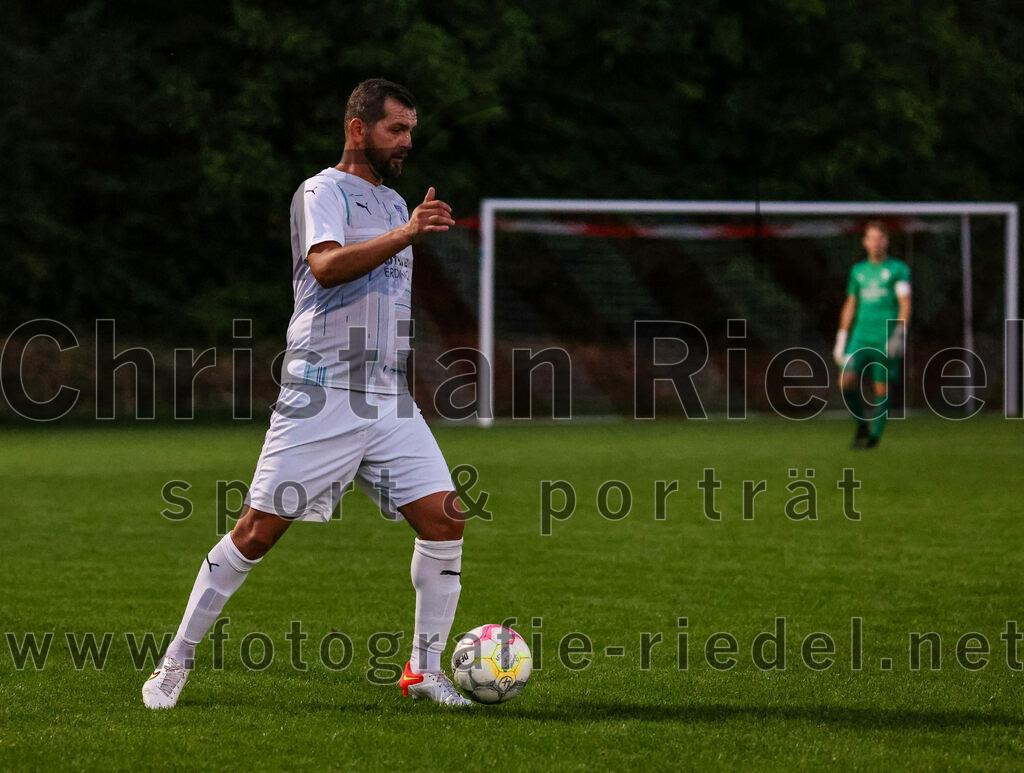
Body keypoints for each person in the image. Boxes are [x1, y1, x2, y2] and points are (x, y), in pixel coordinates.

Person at [143, 78, 472, 708]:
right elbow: (325, 266)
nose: (406, 141)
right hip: (322, 393)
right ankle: (173, 664)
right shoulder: (323, 191)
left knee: (444, 518)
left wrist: (405, 231)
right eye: (394, 129)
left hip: (386, 397)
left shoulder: (397, 201)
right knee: (257, 532)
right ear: (358, 128)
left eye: (410, 131)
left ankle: (423, 671)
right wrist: (406, 234)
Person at [832, 220, 912, 449]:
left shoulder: (898, 269)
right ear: (865, 242)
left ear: (886, 241)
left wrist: (900, 332)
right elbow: (850, 303)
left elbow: (905, 303)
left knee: (881, 388)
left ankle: (875, 436)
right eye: (872, 238)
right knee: (845, 381)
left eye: (880, 238)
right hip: (859, 337)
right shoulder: (858, 272)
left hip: (885, 336)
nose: (876, 243)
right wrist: (841, 337)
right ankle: (861, 425)